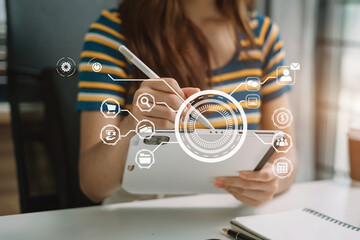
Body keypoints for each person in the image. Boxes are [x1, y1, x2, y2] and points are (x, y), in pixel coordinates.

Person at [77, 0, 298, 206]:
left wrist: (271, 180)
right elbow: (93, 185)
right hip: (139, 215)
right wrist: (133, 126)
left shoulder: (261, 34)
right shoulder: (112, 33)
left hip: (229, 215)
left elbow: (286, 155)